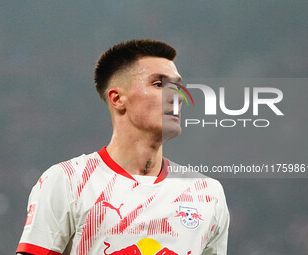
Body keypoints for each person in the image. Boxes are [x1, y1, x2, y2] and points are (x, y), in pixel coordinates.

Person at [16, 39, 229, 255]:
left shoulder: (207, 193)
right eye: (158, 84)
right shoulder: (68, 181)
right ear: (117, 98)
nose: (177, 96)